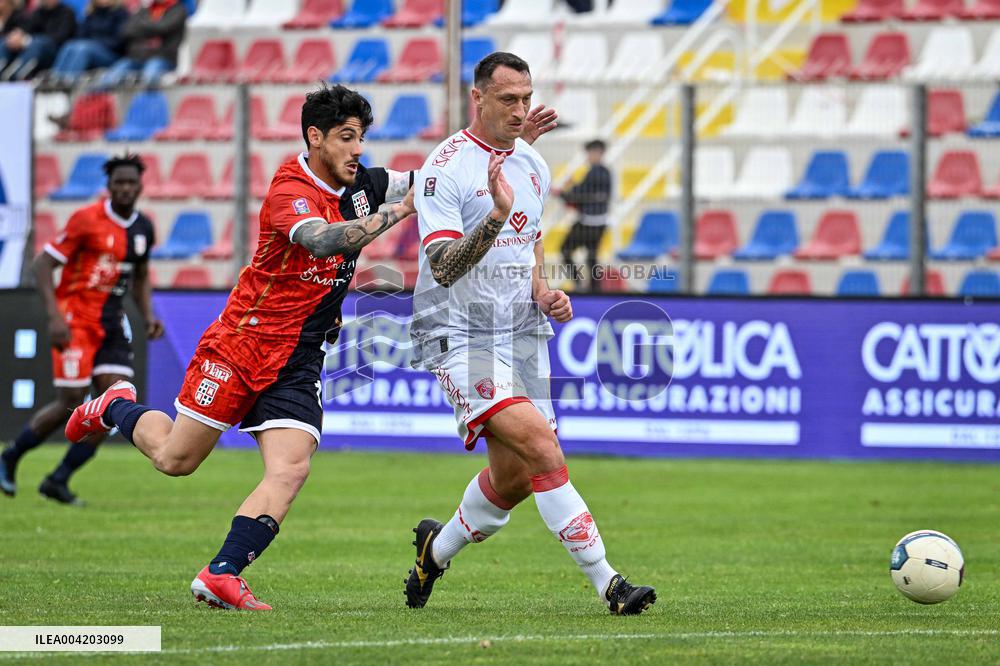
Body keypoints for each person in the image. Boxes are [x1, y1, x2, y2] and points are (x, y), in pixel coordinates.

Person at [62, 83, 556, 611]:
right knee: (175, 459)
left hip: (300, 357)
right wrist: (401, 211)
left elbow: (440, 180)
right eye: (346, 137)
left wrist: (507, 147)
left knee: (292, 467)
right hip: (243, 343)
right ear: (315, 137)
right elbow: (323, 239)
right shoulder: (288, 189)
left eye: (362, 137)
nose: (358, 149)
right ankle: (115, 403)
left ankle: (222, 572)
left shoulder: (367, 182)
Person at [404, 52, 656, 616]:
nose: (521, 110)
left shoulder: (533, 166)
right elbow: (443, 266)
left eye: (526, 97)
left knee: (515, 478)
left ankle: (434, 552)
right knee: (544, 447)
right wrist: (494, 216)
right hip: (458, 332)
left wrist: (543, 290)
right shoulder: (446, 168)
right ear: (478, 98)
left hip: (520, 332)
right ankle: (609, 584)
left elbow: (532, 240)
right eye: (508, 99)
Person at [0, 154, 161, 506]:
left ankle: (58, 479)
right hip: (75, 320)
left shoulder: (143, 228)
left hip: (112, 323)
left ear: (140, 186)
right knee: (71, 401)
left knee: (115, 402)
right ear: (109, 186)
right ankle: (11, 456)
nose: (124, 188)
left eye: (130, 182)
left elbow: (141, 275)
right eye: (118, 182)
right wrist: (54, 317)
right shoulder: (86, 220)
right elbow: (43, 263)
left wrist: (147, 314)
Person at [558, 139, 612, 292]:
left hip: (589, 223)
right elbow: (587, 194)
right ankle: (595, 288)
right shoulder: (605, 172)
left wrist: (564, 193)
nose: (588, 156)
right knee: (592, 256)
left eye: (590, 153)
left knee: (565, 250)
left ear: (598, 153)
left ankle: (580, 283)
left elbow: (578, 194)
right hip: (600, 223)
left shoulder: (595, 173)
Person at [96, 0, 185, 89]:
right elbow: (126, 31)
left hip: (162, 57)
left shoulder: (178, 10)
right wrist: (153, 30)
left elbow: (163, 27)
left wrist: (141, 28)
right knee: (107, 80)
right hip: (136, 57)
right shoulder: (143, 10)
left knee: (149, 79)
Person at [49, 0, 129, 87]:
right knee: (70, 45)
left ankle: (67, 84)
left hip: (111, 55)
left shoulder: (121, 14)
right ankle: (54, 80)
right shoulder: (91, 14)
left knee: (84, 49)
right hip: (89, 47)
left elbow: (118, 41)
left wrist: (94, 43)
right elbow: (80, 35)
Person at [0, 0, 75, 81]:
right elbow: (27, 29)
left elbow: (61, 37)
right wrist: (18, 36)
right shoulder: (38, 12)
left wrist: (27, 40)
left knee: (38, 42)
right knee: (6, 42)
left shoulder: (67, 12)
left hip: (54, 51)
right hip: (33, 46)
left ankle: (16, 76)